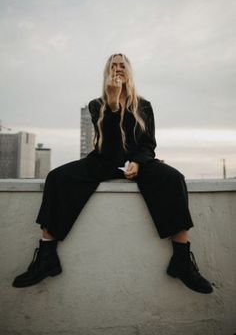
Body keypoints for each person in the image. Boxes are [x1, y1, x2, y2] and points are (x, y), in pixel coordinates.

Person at [12, 53, 213, 294]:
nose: (117, 70)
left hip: (140, 163)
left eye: (122, 65)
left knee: (173, 179)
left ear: (129, 71)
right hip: (104, 161)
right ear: (107, 73)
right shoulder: (97, 104)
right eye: (112, 66)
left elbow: (149, 143)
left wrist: (138, 162)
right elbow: (108, 149)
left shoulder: (144, 105)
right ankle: (47, 258)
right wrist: (114, 104)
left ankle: (181, 261)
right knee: (57, 177)